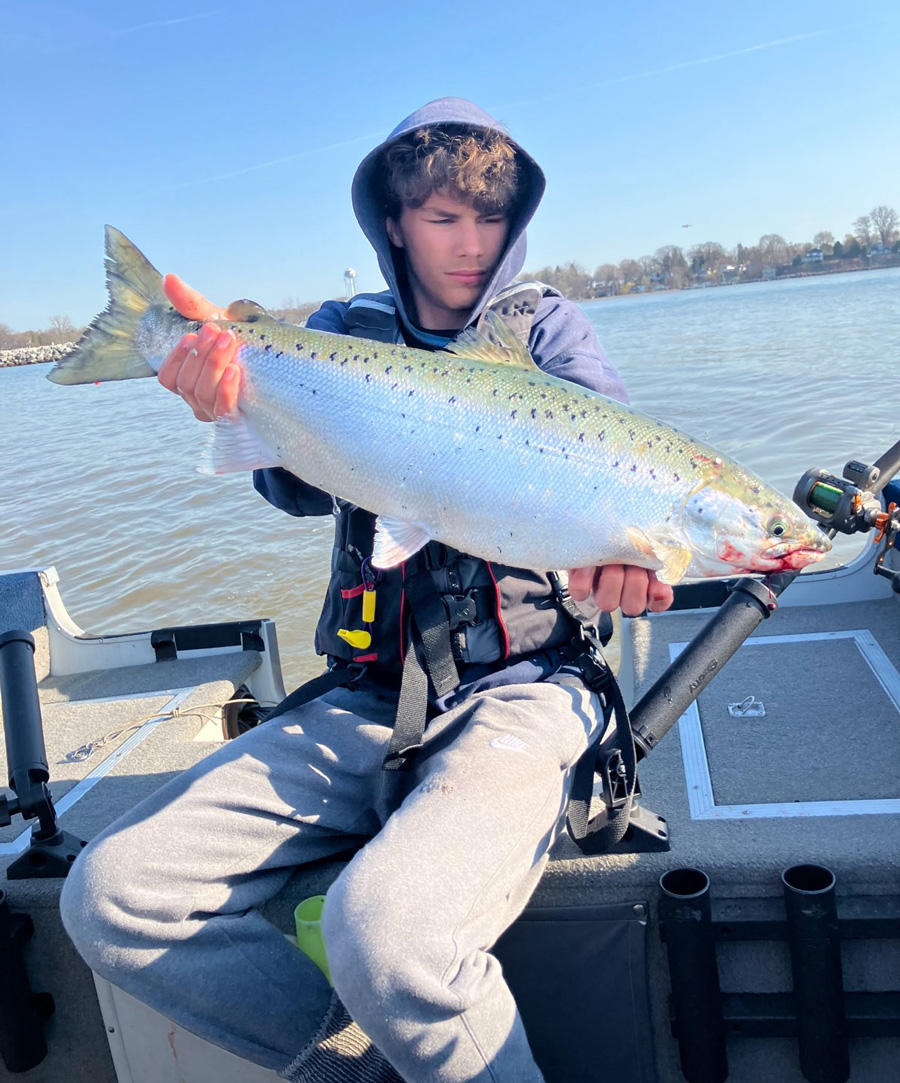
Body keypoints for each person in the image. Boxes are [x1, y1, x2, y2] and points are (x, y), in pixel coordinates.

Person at [60, 98, 673, 1083]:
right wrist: (227, 395)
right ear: (393, 223)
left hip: (525, 689)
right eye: (444, 219)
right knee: (110, 896)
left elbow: (610, 462)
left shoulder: (549, 331)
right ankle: (352, 1066)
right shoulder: (344, 330)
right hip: (364, 696)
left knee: (383, 931)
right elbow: (294, 489)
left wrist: (626, 560)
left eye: (491, 220)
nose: (472, 244)